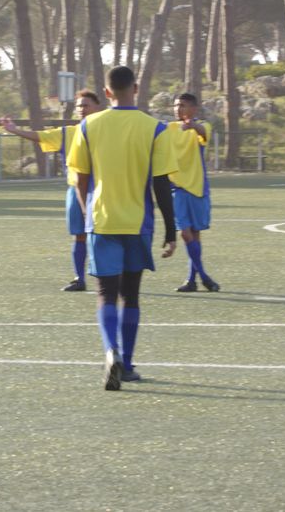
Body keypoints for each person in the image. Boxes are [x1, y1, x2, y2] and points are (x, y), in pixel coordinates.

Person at [66, 66, 178, 390]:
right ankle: (126, 364)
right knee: (131, 295)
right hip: (137, 223)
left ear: (107, 92)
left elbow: (80, 178)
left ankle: (109, 350)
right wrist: (171, 232)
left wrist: (87, 213)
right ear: (136, 88)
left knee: (105, 293)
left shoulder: (88, 126)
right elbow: (161, 184)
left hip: (102, 221)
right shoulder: (155, 129)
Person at [0, 90, 102, 291]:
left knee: (103, 235)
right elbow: (40, 136)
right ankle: (79, 278)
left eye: (86, 105)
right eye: (79, 106)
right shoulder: (68, 133)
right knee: (79, 235)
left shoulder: (106, 132)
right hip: (76, 190)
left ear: (97, 107)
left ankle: (107, 277)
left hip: (101, 190)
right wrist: (14, 130)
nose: (82, 109)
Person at [167, 93, 220, 292]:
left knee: (195, 234)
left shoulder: (202, 126)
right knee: (185, 233)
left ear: (194, 109)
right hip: (176, 189)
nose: (177, 109)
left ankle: (191, 280)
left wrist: (192, 126)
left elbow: (203, 134)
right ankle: (204, 277)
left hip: (197, 187)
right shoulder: (169, 128)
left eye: (182, 105)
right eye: (176, 105)